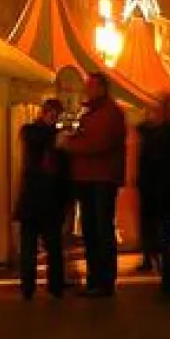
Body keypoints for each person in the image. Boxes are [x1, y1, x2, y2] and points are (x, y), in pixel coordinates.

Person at [61, 73, 127, 298]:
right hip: (88, 178)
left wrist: (70, 145)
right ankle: (95, 278)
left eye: (90, 86)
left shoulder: (110, 113)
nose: (86, 90)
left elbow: (100, 143)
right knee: (90, 230)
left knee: (101, 228)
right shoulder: (91, 112)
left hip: (102, 178)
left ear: (101, 88)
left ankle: (104, 280)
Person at [13, 98, 70, 300]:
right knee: (33, 247)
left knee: (51, 246)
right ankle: (30, 286)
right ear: (44, 113)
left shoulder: (53, 137)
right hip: (35, 198)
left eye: (56, 115)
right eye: (51, 114)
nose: (54, 119)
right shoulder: (32, 131)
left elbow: (64, 173)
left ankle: (53, 286)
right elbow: (35, 138)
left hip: (49, 199)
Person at [136, 95, 170, 299]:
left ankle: (168, 282)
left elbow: (166, 165)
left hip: (162, 193)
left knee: (163, 240)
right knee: (160, 239)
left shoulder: (167, 135)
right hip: (159, 193)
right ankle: (167, 279)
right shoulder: (167, 134)